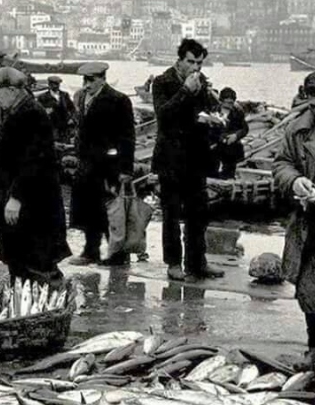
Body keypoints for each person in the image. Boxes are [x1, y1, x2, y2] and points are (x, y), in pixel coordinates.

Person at [273, 68, 315, 375]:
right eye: (314, 106)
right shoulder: (297, 128)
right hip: (311, 224)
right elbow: (282, 163)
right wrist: (295, 181)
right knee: (310, 292)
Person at [0, 67, 71, 283]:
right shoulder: (19, 110)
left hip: (32, 202)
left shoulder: (31, 114)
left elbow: (34, 161)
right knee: (21, 260)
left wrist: (16, 197)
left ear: (12, 90)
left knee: (37, 262)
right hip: (26, 198)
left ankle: (49, 298)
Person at [151, 38, 225, 282]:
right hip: (171, 159)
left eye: (199, 63)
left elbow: (203, 113)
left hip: (195, 157)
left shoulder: (201, 82)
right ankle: (173, 263)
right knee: (171, 213)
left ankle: (197, 262)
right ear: (180, 60)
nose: (195, 68)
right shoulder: (162, 82)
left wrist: (213, 117)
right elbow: (163, 116)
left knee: (198, 213)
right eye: (191, 62)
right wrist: (184, 92)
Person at [69, 61, 135, 266]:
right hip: (87, 164)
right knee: (89, 209)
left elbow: (127, 136)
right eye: (85, 80)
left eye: (91, 80)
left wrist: (126, 169)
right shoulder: (82, 98)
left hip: (108, 165)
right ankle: (91, 250)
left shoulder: (118, 100)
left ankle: (118, 253)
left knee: (111, 210)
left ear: (102, 79)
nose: (87, 84)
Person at [208, 87, 249, 179]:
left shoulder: (237, 113)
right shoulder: (213, 111)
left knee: (230, 167)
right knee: (211, 167)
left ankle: (228, 176)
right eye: (227, 103)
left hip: (231, 147)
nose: (229, 106)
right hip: (215, 145)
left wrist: (236, 135)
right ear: (221, 101)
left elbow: (245, 129)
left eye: (231, 103)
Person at [37, 75, 76, 143]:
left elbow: (72, 108)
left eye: (57, 84)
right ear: (49, 85)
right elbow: (39, 113)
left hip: (65, 126)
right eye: (53, 84)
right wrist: (46, 112)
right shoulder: (42, 97)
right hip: (51, 126)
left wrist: (71, 118)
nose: (56, 86)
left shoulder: (64, 95)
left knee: (65, 144)